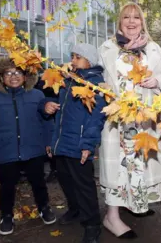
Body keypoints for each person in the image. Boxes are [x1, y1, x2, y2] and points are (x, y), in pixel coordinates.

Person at [98, 2, 161, 239]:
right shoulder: (108, 48)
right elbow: (96, 78)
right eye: (126, 18)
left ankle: (136, 202)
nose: (131, 22)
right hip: (117, 120)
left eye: (136, 18)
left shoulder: (151, 49)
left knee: (140, 161)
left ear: (142, 22)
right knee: (116, 166)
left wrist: (157, 81)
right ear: (120, 22)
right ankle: (112, 216)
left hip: (143, 119)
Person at [0, 58, 56, 236]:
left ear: (26, 76)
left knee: (39, 182)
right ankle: (6, 215)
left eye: (18, 72)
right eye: (8, 73)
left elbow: (46, 122)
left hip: (33, 149)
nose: (13, 76)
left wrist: (48, 143)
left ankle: (44, 207)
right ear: (1, 76)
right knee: (7, 185)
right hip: (6, 151)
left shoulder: (36, 95)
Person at [44, 43, 106, 243]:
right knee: (65, 179)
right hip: (62, 143)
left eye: (77, 57)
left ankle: (92, 224)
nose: (72, 60)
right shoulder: (68, 81)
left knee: (84, 185)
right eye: (72, 56)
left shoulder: (96, 84)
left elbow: (96, 119)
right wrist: (53, 142)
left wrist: (88, 145)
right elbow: (59, 115)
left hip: (79, 144)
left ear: (89, 60)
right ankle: (75, 209)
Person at [34, 73, 58, 183]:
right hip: (47, 111)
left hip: (50, 112)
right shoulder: (41, 82)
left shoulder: (42, 82)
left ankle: (54, 169)